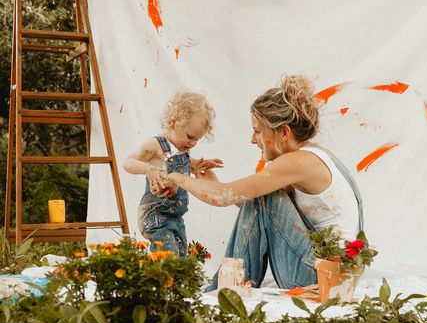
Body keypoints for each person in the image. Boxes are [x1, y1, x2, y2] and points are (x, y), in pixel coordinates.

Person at [158, 75, 363, 288]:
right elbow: (258, 209)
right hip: (331, 275)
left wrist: (175, 176)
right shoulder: (308, 156)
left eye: (257, 131)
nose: (252, 139)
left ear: (284, 132)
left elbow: (222, 198)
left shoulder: (298, 162)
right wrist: (212, 182)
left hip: (323, 279)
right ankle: (230, 285)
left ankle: (228, 288)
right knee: (262, 196)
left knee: (266, 196)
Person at [123, 91, 223, 255]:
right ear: (173, 122)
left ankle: (177, 280)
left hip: (176, 216)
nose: (193, 143)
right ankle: (163, 280)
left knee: (181, 257)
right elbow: (128, 162)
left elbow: (184, 164)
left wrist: (198, 165)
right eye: (190, 136)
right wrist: (149, 169)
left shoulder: (182, 150)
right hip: (156, 215)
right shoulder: (155, 145)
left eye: (197, 139)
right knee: (167, 258)